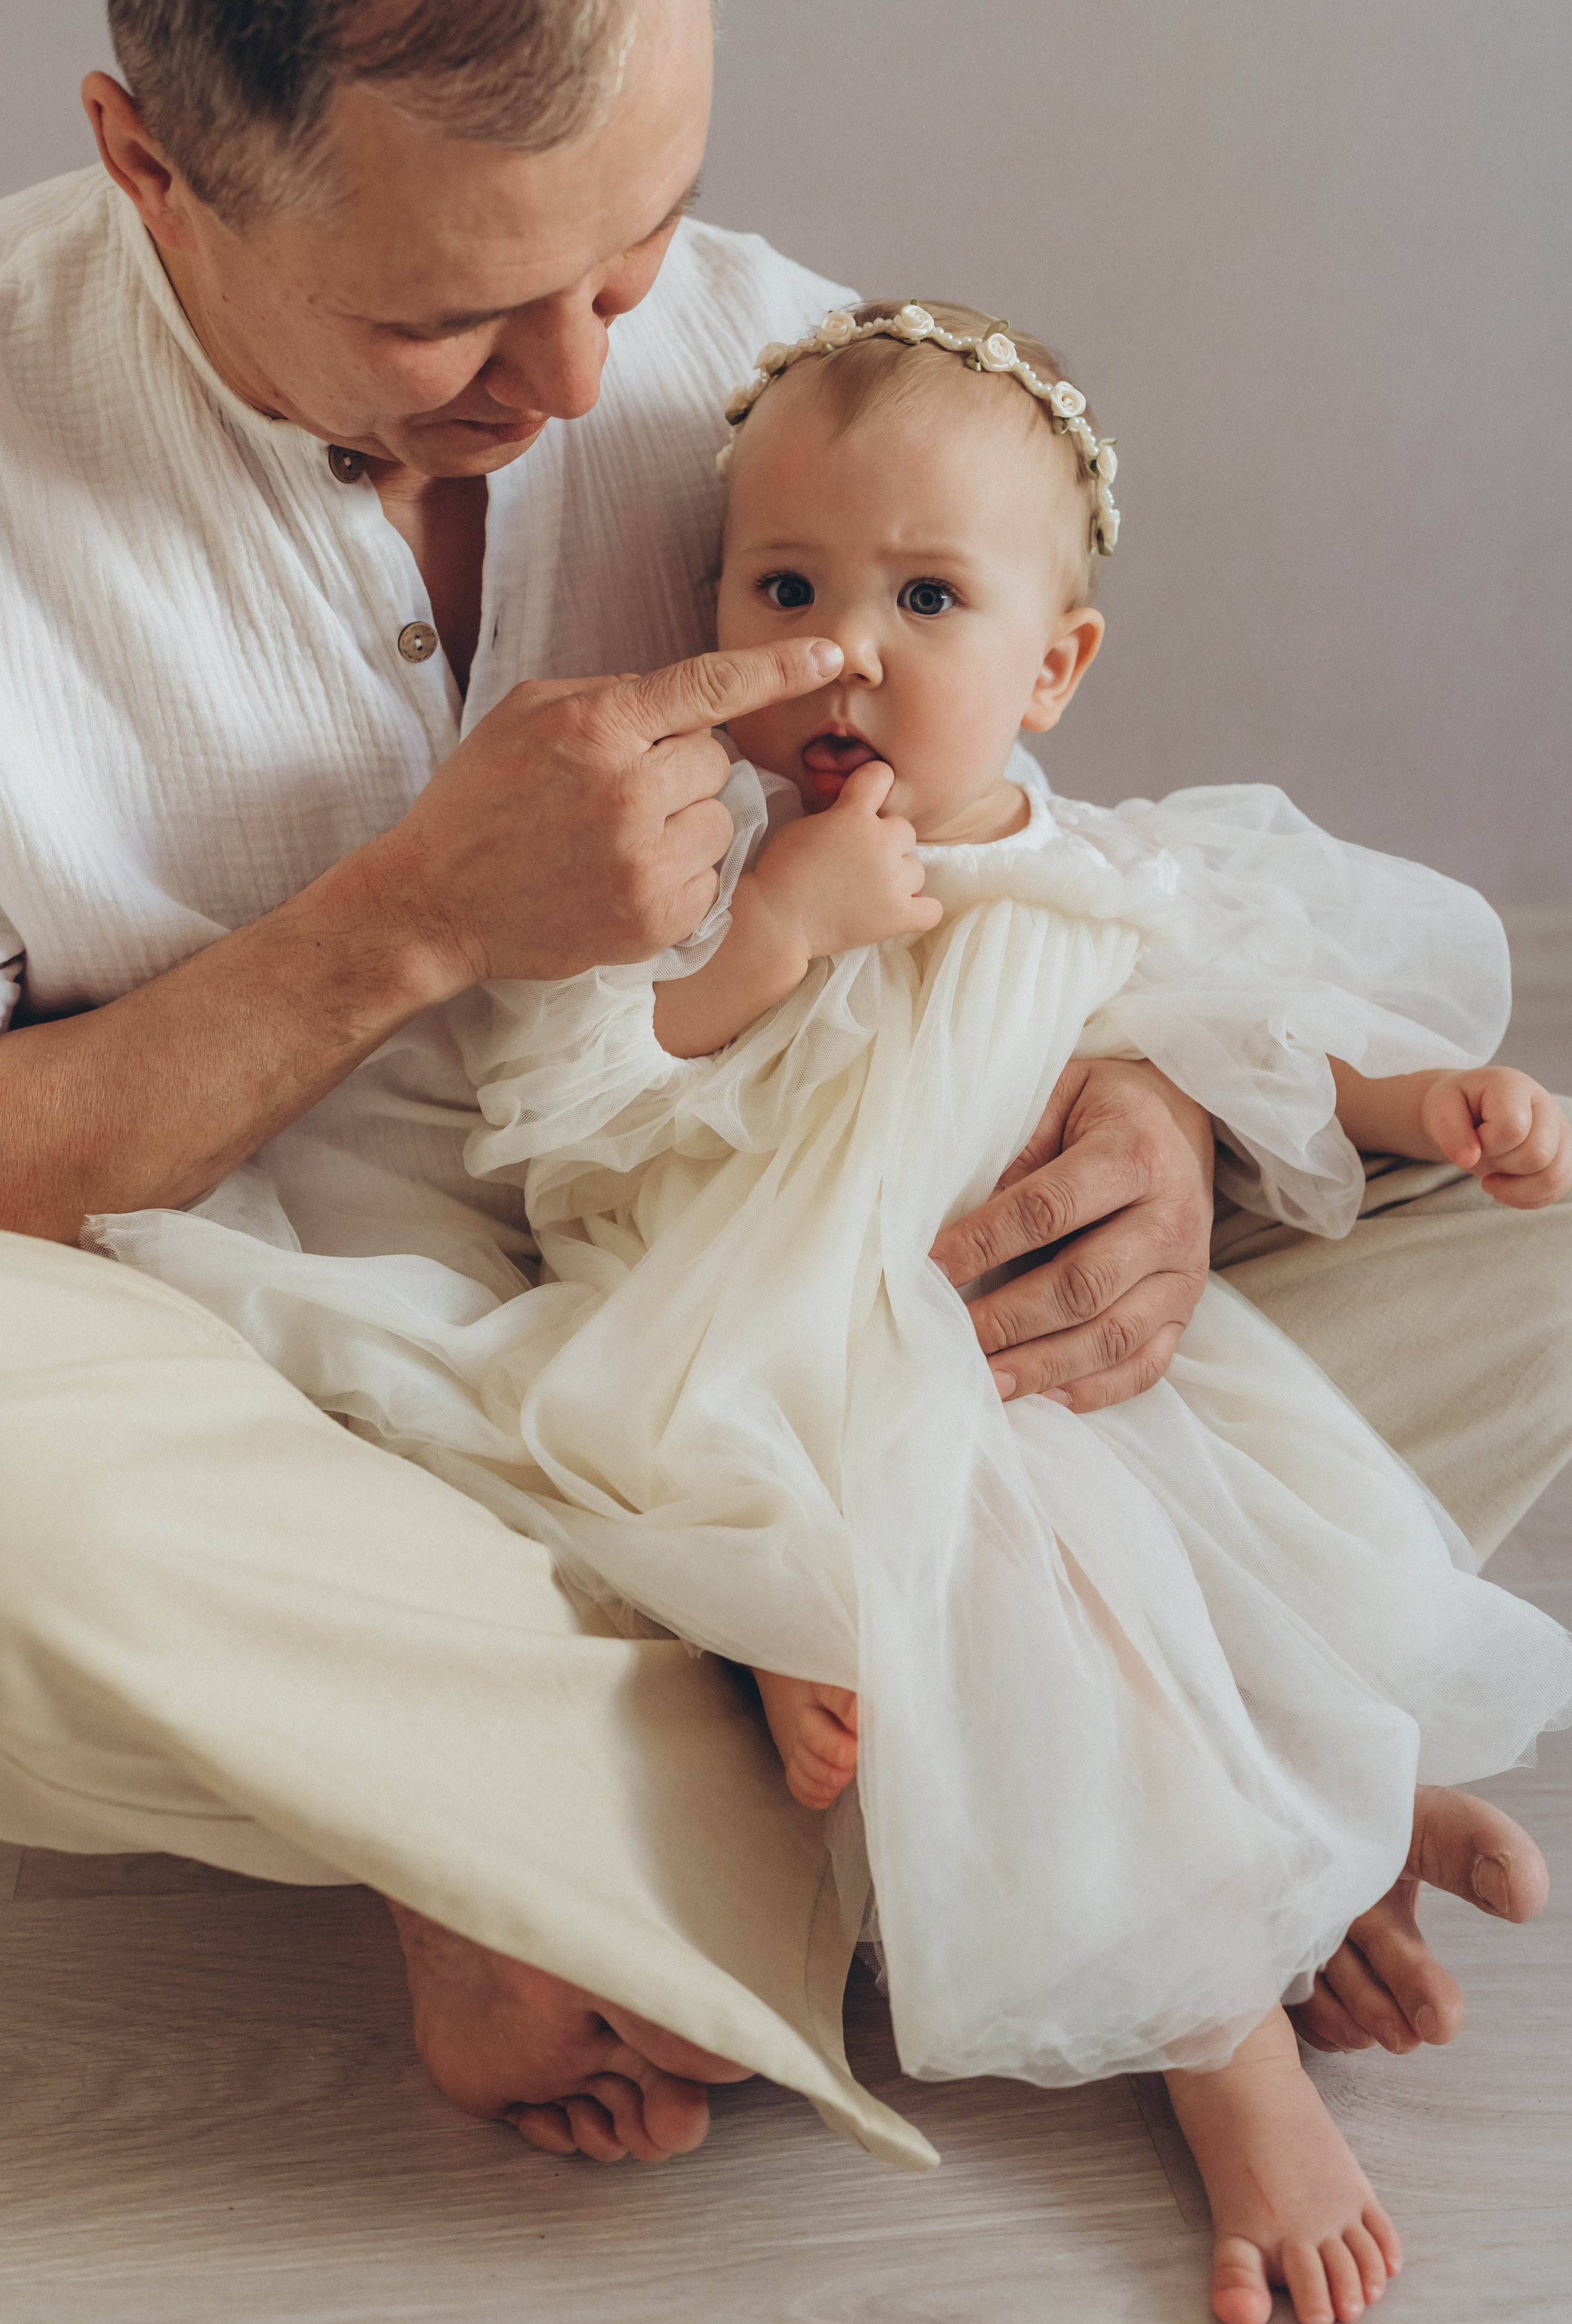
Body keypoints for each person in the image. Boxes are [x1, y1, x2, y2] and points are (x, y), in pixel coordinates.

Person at [0, 0, 1563, 2167]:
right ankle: (1009, 1788)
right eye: (446, 321)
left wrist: (1160, 1130)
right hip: (307, 1356)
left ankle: (658, 1812)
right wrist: (406, 927)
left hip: (841, 1296)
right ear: (148, 164)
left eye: (636, 253)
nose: (574, 392)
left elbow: (1046, 879)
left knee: (1497, 1183)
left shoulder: (802, 383)